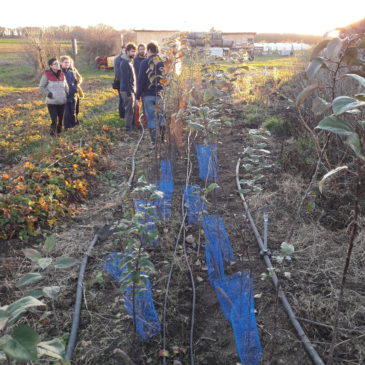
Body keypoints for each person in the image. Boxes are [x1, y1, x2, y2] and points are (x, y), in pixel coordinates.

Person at [136, 42, 164, 146]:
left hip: (148, 96)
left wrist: (137, 96)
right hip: (160, 96)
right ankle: (161, 141)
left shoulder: (144, 62)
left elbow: (140, 81)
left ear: (148, 50)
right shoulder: (162, 62)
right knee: (161, 117)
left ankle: (153, 142)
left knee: (151, 118)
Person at [39, 58, 68, 136]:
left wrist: (67, 93)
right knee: (54, 120)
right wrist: (48, 94)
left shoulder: (62, 74)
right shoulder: (46, 75)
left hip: (62, 100)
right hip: (52, 102)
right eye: (55, 64)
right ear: (51, 66)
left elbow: (65, 86)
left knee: (61, 118)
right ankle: (52, 134)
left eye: (58, 63)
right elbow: (41, 87)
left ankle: (60, 132)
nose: (58, 65)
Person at [117, 43, 137, 131]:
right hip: (126, 90)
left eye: (134, 52)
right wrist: (129, 92)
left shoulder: (129, 61)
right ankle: (128, 129)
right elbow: (124, 79)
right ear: (127, 51)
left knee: (131, 110)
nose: (134, 53)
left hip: (129, 89)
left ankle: (131, 127)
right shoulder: (124, 63)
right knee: (129, 111)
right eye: (132, 51)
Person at [60, 55, 78, 130]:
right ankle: (66, 127)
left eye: (69, 62)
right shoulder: (59, 73)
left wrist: (74, 89)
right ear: (61, 63)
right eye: (66, 62)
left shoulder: (72, 73)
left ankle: (73, 126)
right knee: (66, 113)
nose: (67, 64)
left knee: (73, 111)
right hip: (64, 96)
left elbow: (75, 83)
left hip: (72, 95)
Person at [70, 58, 84, 123]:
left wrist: (78, 82)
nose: (69, 64)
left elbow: (80, 77)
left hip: (76, 91)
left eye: (70, 63)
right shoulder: (62, 71)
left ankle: (76, 119)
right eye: (67, 62)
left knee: (77, 107)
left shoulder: (74, 69)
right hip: (68, 92)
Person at [114, 46, 126, 119]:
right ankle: (122, 114)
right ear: (122, 50)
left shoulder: (129, 58)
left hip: (127, 82)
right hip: (120, 81)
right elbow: (117, 72)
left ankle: (125, 113)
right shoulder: (117, 59)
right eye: (124, 49)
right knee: (121, 98)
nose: (125, 51)